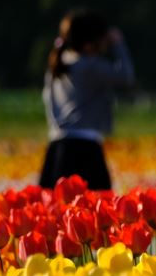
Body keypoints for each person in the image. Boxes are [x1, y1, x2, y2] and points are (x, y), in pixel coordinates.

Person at [39, 11, 134, 191]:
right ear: (90, 43)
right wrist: (119, 45)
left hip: (57, 146)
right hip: (85, 148)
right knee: (93, 208)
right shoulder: (90, 66)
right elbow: (126, 76)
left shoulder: (57, 64)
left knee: (55, 210)